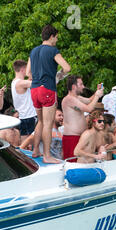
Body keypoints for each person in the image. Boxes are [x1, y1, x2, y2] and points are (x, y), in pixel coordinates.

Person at [27, 24, 71, 163]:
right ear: (51, 36)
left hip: (34, 89)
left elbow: (28, 73)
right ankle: (47, 156)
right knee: (47, 123)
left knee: (40, 121)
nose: (56, 40)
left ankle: (35, 151)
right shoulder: (52, 50)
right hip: (47, 88)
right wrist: (59, 75)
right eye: (56, 37)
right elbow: (67, 67)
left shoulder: (33, 51)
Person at [61, 75, 103, 162]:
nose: (83, 87)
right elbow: (89, 109)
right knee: (73, 165)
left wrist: (97, 92)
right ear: (73, 86)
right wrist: (97, 96)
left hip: (80, 137)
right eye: (81, 84)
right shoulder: (69, 99)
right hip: (72, 137)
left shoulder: (77, 98)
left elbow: (89, 101)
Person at [11, 60, 38, 143]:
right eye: (27, 69)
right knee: (28, 144)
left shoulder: (14, 82)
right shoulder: (20, 83)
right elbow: (38, 83)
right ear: (23, 69)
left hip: (24, 116)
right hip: (28, 116)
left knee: (26, 143)